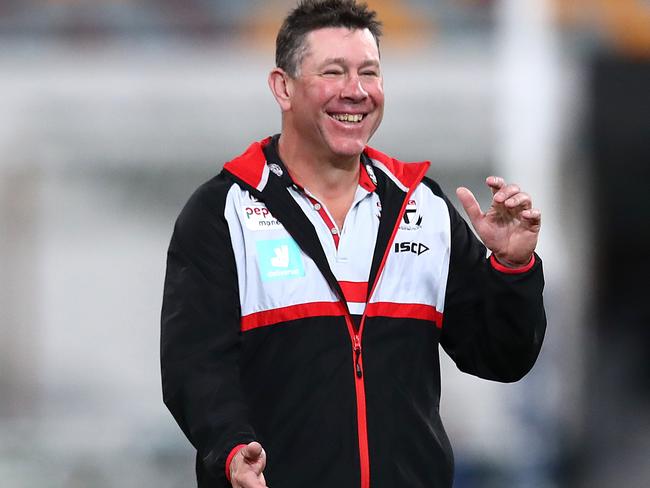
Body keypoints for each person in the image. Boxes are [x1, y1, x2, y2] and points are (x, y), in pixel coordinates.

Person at [160, 1, 546, 487]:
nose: (356, 91)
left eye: (369, 72)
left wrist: (513, 268)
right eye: (334, 72)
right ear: (283, 87)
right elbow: (193, 368)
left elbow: (501, 357)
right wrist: (231, 448)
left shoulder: (423, 207)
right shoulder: (223, 212)